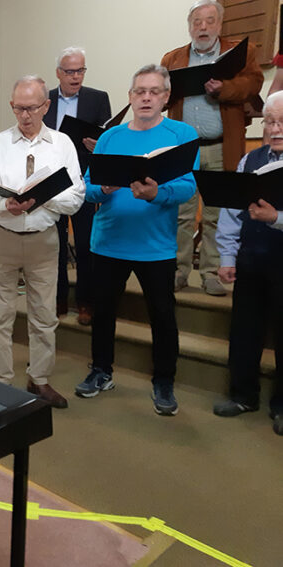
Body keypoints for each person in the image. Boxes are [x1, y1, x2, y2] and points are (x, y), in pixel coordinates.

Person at [75, 65, 199, 416]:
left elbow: (188, 186)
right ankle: (101, 371)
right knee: (103, 313)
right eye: (139, 91)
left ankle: (164, 380)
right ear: (130, 98)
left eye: (154, 91)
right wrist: (106, 186)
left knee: (162, 316)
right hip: (108, 241)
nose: (146, 97)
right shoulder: (112, 137)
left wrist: (157, 192)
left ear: (165, 97)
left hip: (155, 246)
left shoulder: (182, 134)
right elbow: (88, 187)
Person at [0, 75, 85, 409]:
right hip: (1, 238)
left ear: (46, 106)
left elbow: (76, 197)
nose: (25, 116)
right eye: (19, 109)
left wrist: (43, 199)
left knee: (44, 316)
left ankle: (39, 380)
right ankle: (1, 384)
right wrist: (7, 204)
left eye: (33, 108)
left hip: (43, 240)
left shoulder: (63, 145)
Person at [161, 0, 263, 297]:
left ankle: (211, 273)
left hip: (222, 146)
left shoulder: (241, 53)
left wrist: (224, 89)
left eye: (209, 21)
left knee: (218, 213)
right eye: (197, 22)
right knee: (181, 212)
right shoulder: (173, 58)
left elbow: (254, 83)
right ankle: (179, 270)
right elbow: (162, 95)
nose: (202, 27)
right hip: (183, 150)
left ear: (220, 24)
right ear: (190, 26)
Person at [213, 91, 283, 435]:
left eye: (282, 122)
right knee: (244, 331)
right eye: (270, 121)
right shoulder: (249, 161)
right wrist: (227, 255)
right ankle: (243, 395)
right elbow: (231, 212)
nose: (275, 128)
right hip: (252, 259)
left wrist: (277, 218)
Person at [43, 46, 112, 325]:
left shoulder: (98, 99)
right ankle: (58, 299)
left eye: (80, 70)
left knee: (85, 244)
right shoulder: (45, 100)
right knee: (54, 244)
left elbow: (106, 139)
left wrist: (98, 146)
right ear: (59, 73)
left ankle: (85, 301)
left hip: (84, 179)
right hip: (51, 180)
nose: (76, 76)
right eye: (70, 71)